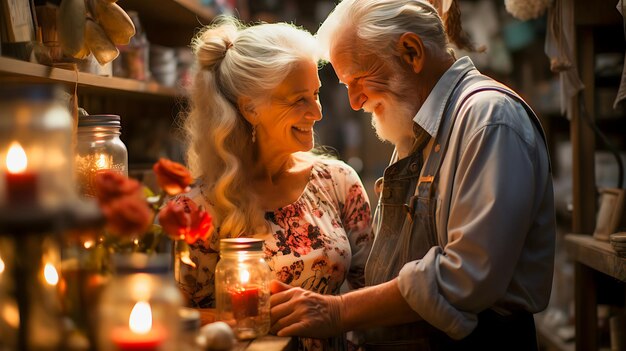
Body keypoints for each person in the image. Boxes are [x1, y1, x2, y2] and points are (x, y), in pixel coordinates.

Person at [269, 0, 556, 350]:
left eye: (357, 80)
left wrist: (339, 311)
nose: (356, 102)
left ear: (411, 52)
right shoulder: (419, 126)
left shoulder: (488, 120)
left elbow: (467, 277)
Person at [171, 16, 374, 351]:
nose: (317, 112)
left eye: (316, 94)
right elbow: (165, 315)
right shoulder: (192, 211)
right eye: (299, 99)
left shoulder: (338, 182)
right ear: (251, 108)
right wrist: (239, 319)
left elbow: (373, 294)